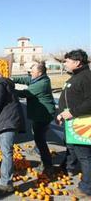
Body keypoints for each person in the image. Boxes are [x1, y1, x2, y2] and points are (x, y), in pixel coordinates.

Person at [56, 49, 91, 199]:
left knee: (85, 156)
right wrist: (62, 113)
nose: (65, 64)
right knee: (75, 151)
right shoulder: (76, 76)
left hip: (82, 123)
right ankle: (69, 169)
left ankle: (86, 189)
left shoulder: (86, 77)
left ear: (77, 63)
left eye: (67, 61)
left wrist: (72, 112)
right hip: (73, 122)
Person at [12, 62, 56, 174]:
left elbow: (24, 93)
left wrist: (7, 87)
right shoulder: (39, 78)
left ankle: (47, 165)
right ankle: (39, 151)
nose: (30, 73)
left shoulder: (41, 84)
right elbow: (26, 79)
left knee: (40, 140)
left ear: (39, 72)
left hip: (43, 115)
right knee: (38, 135)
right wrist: (12, 79)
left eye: (33, 71)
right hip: (40, 114)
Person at [0, 72, 25, 196]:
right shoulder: (6, 84)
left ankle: (5, 184)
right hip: (9, 120)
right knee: (6, 151)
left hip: (6, 122)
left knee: (7, 152)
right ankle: (4, 179)